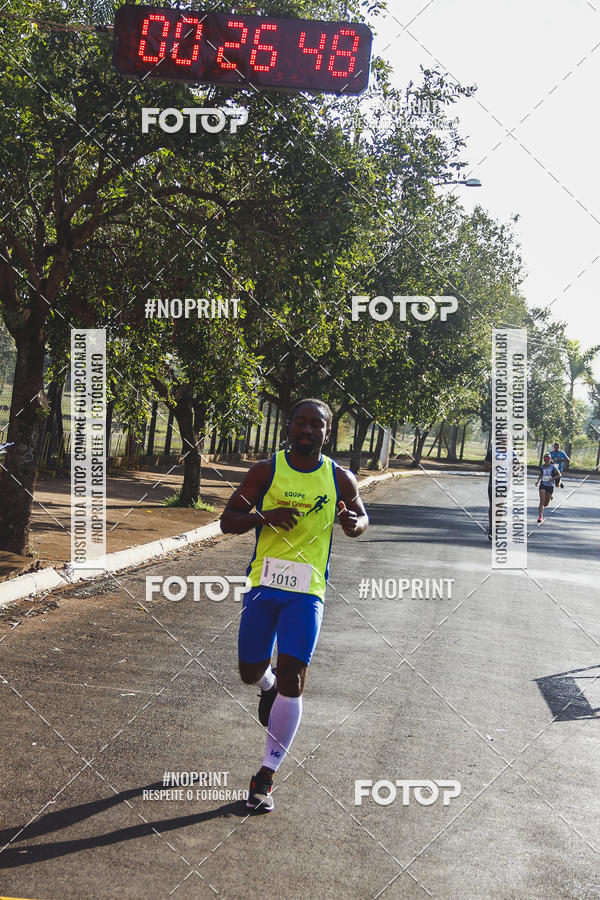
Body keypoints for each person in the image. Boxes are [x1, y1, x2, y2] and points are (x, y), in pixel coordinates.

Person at [220, 398, 369, 812]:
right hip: (263, 586)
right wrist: (263, 517)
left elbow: (361, 517)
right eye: (300, 423)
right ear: (289, 427)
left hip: (308, 591)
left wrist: (353, 523)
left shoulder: (339, 478)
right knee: (250, 672)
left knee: (294, 676)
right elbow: (228, 520)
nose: (306, 430)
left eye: (315, 424)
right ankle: (266, 686)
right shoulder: (265, 471)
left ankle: (266, 775)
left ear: (327, 431)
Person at [535, 453, 561, 523]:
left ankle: (550, 495)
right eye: (545, 458)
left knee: (545, 504)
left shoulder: (553, 467)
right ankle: (540, 517)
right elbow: (541, 474)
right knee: (542, 501)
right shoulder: (542, 467)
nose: (546, 460)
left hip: (550, 486)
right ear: (543, 459)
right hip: (543, 485)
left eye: (548, 458)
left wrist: (552, 478)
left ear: (550, 459)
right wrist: (538, 481)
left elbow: (559, 475)